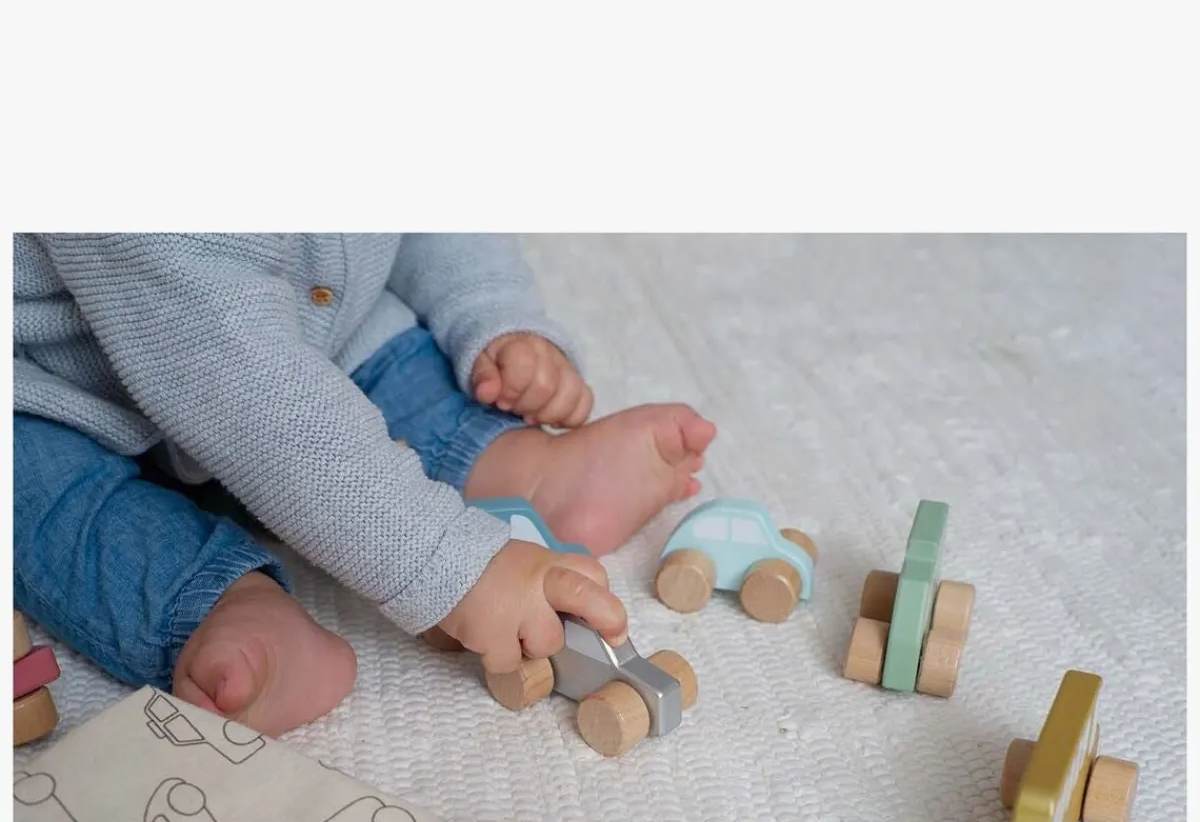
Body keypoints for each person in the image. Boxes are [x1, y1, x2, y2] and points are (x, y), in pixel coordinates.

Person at [13, 233, 716, 734]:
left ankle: (518, 467)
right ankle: (210, 602)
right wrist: (455, 567)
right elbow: (242, 385)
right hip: (55, 389)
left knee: (389, 361)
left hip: (306, 323)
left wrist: (493, 311)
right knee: (42, 499)